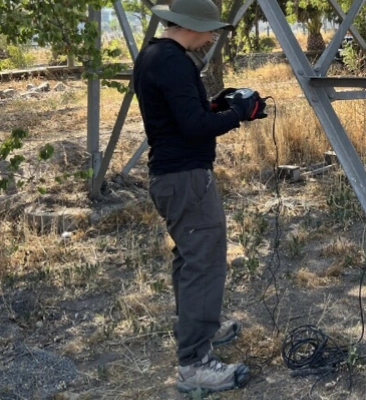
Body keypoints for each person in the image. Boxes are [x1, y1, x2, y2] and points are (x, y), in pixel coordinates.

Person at [132, 0, 267, 393]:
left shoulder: (154, 56)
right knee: (204, 264)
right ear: (192, 25)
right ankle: (194, 362)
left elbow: (181, 113)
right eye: (211, 28)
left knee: (190, 258)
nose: (213, 36)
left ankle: (199, 323)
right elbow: (194, 126)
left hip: (171, 176)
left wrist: (217, 107)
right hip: (187, 178)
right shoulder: (175, 63)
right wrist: (239, 114)